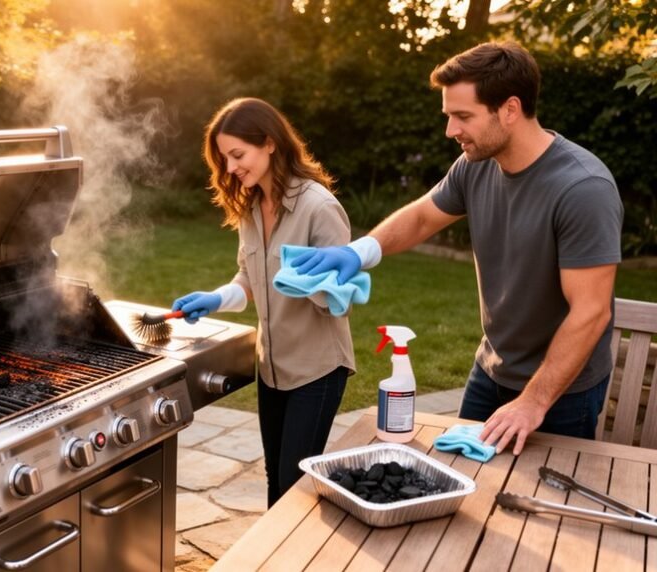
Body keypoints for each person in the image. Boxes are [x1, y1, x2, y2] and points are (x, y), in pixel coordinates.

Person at [290, 42, 623, 456]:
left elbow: (591, 311)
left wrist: (534, 402)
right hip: (491, 368)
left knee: (539, 505)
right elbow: (423, 216)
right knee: (461, 474)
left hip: (562, 389)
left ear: (510, 109)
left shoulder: (582, 188)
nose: (450, 131)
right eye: (449, 116)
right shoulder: (476, 165)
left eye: (463, 116)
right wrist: (360, 252)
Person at [171, 97, 355, 506]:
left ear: (270, 143)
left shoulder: (319, 207)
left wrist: (304, 282)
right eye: (225, 159)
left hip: (316, 370)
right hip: (271, 368)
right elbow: (248, 279)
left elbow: (342, 300)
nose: (231, 168)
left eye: (238, 155)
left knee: (294, 486)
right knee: (276, 477)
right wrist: (216, 298)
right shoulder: (252, 204)